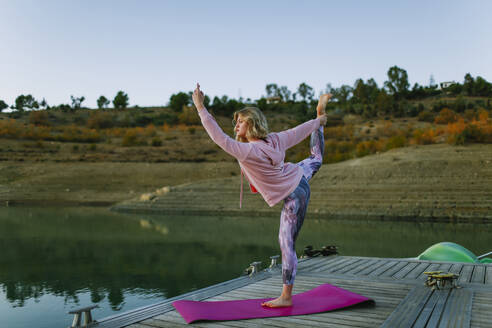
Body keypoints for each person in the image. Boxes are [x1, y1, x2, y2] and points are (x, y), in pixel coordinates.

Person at [192, 83, 331, 308]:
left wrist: (200, 106)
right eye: (235, 121)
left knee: (286, 243)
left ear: (252, 123)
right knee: (316, 159)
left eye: (241, 121)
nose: (236, 125)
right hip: (298, 177)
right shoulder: (274, 139)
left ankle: (286, 297)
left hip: (293, 194)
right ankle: (320, 114)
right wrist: (318, 122)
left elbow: (218, 137)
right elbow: (297, 132)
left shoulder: (248, 150)